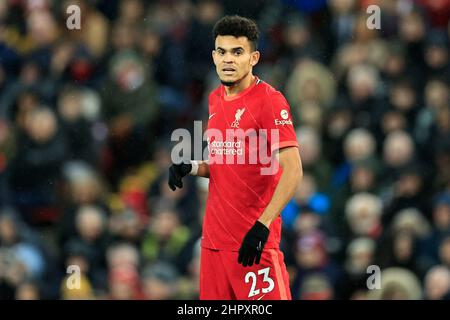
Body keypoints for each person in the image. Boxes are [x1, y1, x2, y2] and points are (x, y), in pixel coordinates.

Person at [168, 15, 302, 300]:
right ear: (214, 56)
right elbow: (227, 164)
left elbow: (293, 171)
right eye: (222, 52)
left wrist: (262, 227)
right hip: (213, 245)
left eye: (237, 52)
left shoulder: (270, 100)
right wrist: (190, 167)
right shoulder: (215, 98)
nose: (228, 60)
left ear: (254, 58)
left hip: (252, 244)